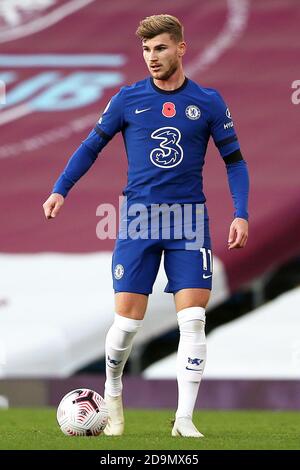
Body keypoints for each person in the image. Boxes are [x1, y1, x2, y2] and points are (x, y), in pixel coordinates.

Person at [43, 14, 249, 438]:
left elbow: (235, 162)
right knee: (127, 326)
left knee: (193, 320)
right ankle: (113, 390)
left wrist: (241, 211)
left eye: (160, 48)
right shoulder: (127, 99)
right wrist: (61, 188)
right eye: (146, 50)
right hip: (139, 220)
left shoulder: (208, 102)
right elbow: (90, 145)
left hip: (189, 221)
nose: (152, 57)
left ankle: (185, 420)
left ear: (180, 48)